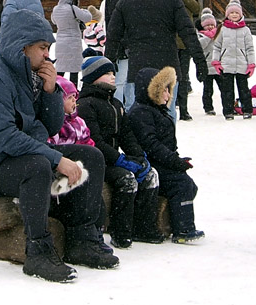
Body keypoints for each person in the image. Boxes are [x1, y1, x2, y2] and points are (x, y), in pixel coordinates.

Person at [0, 6, 117, 282]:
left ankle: (81, 237)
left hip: (22, 154)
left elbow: (50, 127)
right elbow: (3, 139)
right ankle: (38, 250)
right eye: (43, 47)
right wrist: (57, 160)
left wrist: (50, 91)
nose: (47, 54)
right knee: (38, 166)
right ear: (23, 46)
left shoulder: (29, 76)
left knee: (90, 156)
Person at [75, 55, 164, 248]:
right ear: (94, 77)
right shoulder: (86, 104)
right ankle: (120, 230)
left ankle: (143, 227)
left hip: (114, 158)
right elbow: (95, 141)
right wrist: (119, 160)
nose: (113, 77)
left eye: (113, 73)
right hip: (98, 162)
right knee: (127, 179)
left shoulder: (115, 104)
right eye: (107, 73)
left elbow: (127, 135)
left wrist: (139, 156)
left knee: (150, 175)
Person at [107, 0, 208, 120]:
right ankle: (166, 144)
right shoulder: (172, 0)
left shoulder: (126, 0)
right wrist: (200, 62)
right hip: (167, 66)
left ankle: (140, 143)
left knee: (136, 112)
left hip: (138, 67)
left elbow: (113, 35)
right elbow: (188, 33)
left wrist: (109, 63)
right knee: (167, 112)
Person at [128, 65, 205, 243]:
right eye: (164, 91)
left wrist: (177, 160)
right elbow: (151, 145)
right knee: (182, 184)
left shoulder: (155, 111)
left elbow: (165, 145)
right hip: (149, 164)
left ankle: (175, 221)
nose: (168, 95)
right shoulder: (141, 113)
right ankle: (183, 230)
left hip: (161, 162)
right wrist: (174, 161)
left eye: (169, 91)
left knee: (187, 184)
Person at [162, 0, 200, 120]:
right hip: (169, 43)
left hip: (184, 44)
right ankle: (169, 103)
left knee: (183, 77)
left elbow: (197, 8)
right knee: (168, 77)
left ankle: (184, 109)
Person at [211, 0, 256, 119]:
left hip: (242, 64)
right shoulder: (223, 29)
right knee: (227, 91)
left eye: (236, 12)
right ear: (227, 15)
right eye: (232, 13)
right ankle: (228, 111)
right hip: (226, 65)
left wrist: (251, 64)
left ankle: (247, 110)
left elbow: (250, 48)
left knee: (244, 90)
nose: (234, 15)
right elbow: (217, 47)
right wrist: (216, 62)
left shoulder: (245, 30)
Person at [103, 0, 137, 108]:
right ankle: (120, 109)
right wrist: (125, 42)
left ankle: (126, 108)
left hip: (121, 44)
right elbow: (117, 23)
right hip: (120, 46)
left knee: (128, 81)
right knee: (121, 81)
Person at [51, 0, 91, 84]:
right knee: (74, 71)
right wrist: (84, 10)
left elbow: (54, 21)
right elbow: (88, 17)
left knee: (60, 69)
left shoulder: (55, 9)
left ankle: (59, 90)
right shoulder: (72, 8)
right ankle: (73, 92)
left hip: (60, 43)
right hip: (73, 43)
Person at [48, 78, 94, 146]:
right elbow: (51, 146)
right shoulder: (55, 125)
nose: (74, 100)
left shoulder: (80, 122)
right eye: (69, 97)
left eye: (74, 96)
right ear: (57, 101)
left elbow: (87, 141)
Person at [197, 7, 222, 114]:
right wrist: (208, 37)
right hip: (207, 66)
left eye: (212, 25)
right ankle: (208, 107)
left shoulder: (219, 34)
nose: (210, 27)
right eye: (207, 25)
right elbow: (199, 46)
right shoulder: (200, 35)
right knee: (208, 90)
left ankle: (228, 105)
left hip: (218, 65)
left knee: (224, 88)